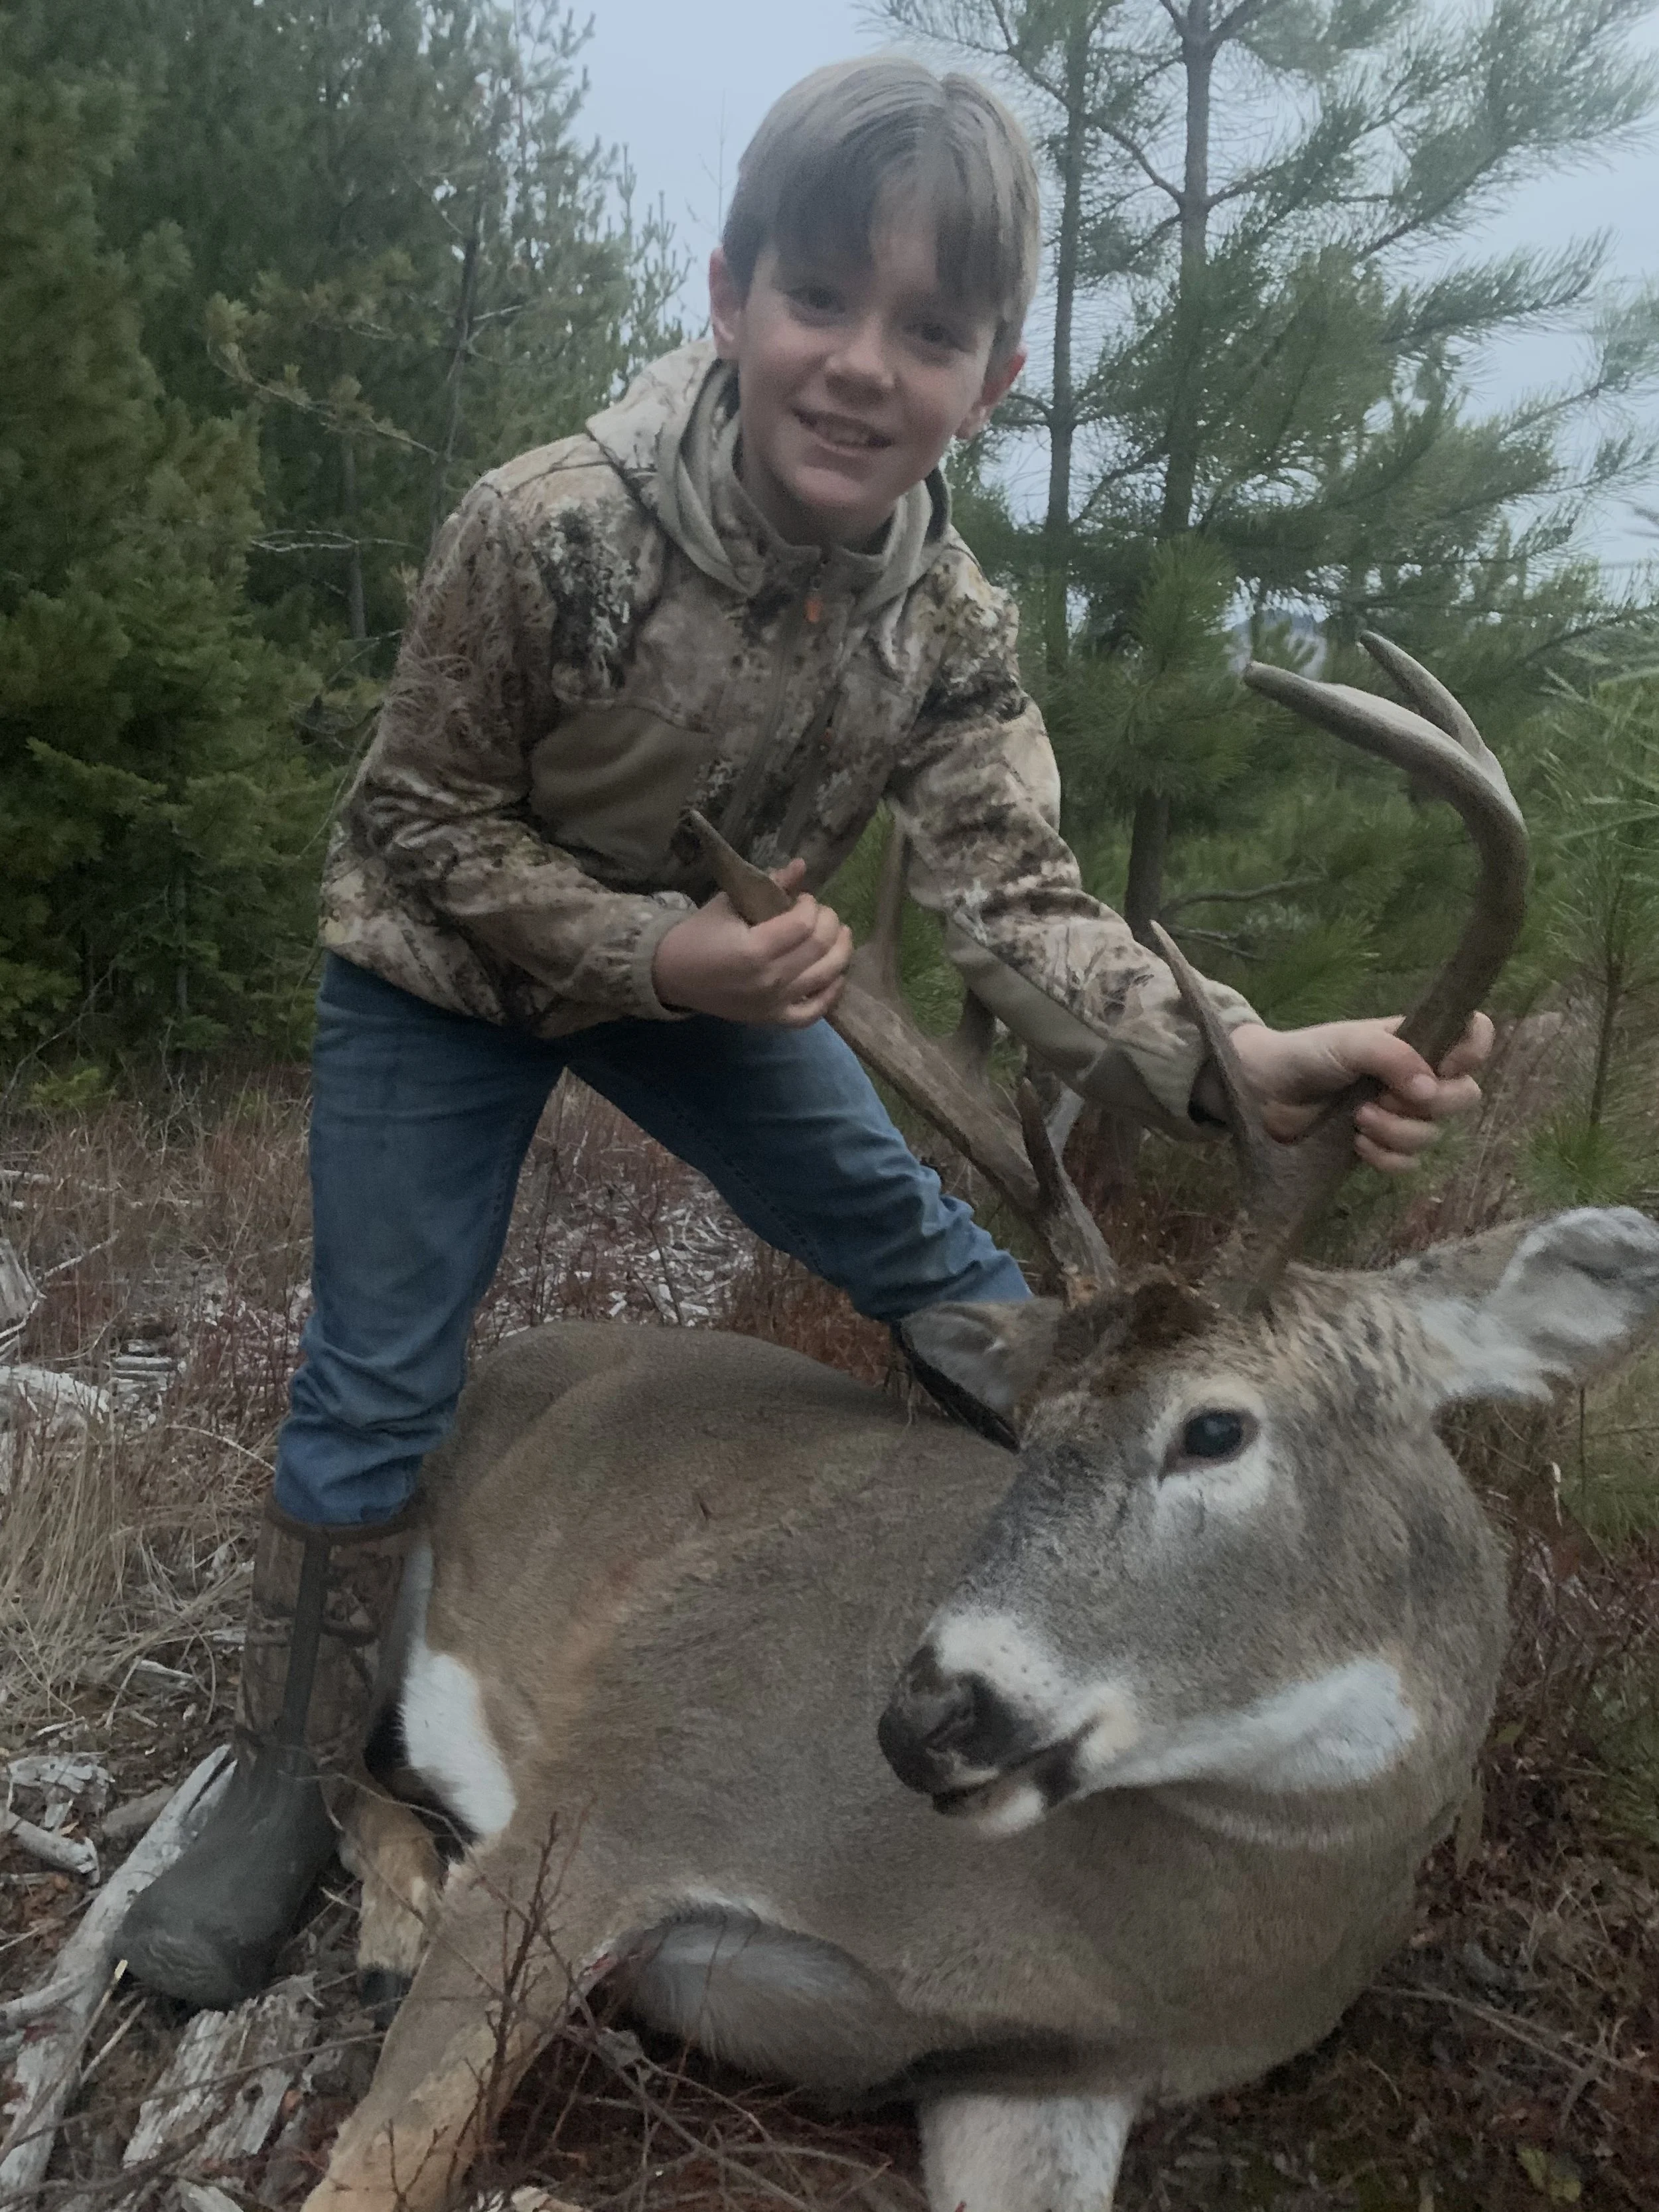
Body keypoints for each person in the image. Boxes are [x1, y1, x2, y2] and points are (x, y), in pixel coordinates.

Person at [119, 56, 1490, 2007]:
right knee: (379, 1370)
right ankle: (280, 1778)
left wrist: (1224, 1060)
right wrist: (659, 956)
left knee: (960, 1297)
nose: (861, 364)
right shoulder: (546, 527)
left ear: (990, 373)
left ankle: (1022, 1665)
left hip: (711, 983)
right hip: (443, 978)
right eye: (819, 302)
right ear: (728, 293)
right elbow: (410, 825)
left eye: (926, 329)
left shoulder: (946, 630)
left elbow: (1017, 903)